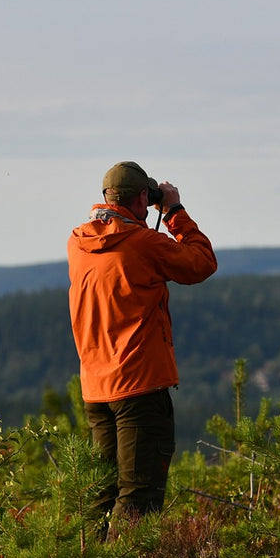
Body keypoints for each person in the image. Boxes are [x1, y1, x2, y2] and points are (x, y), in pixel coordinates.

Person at [67, 161, 217, 529]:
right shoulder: (144, 243)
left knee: (103, 492)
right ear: (140, 199)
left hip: (96, 391)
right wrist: (173, 212)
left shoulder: (77, 243)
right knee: (139, 495)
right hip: (139, 387)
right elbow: (201, 263)